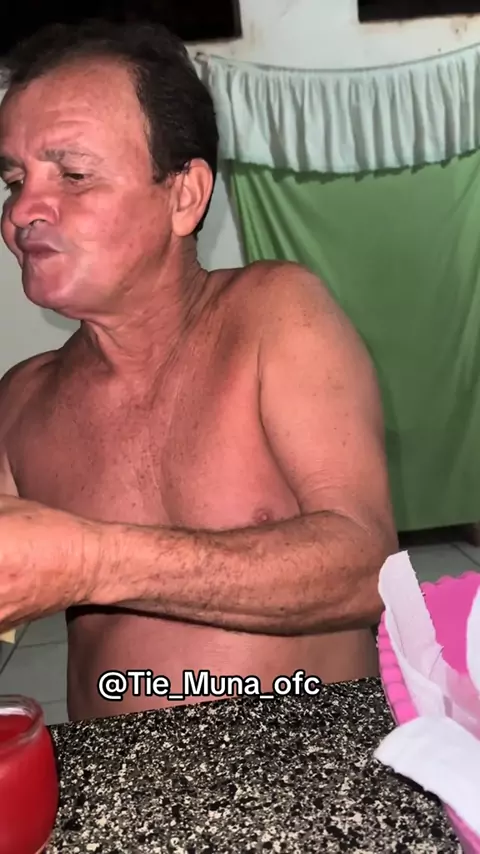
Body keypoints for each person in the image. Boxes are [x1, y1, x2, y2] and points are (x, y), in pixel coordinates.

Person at [0, 19, 397, 721]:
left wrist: (93, 562)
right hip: (113, 772)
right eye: (13, 179)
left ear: (184, 196)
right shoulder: (21, 400)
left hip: (308, 757)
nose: (23, 209)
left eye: (74, 175)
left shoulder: (274, 314)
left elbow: (368, 569)